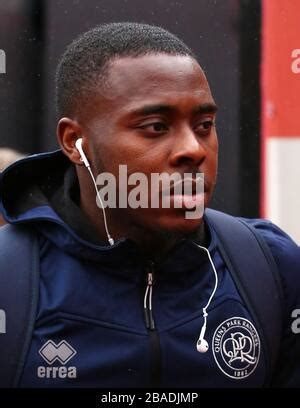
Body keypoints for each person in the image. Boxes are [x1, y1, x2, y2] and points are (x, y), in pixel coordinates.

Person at [0, 22, 299, 388]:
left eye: (204, 124)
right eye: (156, 127)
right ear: (75, 141)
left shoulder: (271, 267)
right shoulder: (11, 278)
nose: (193, 149)